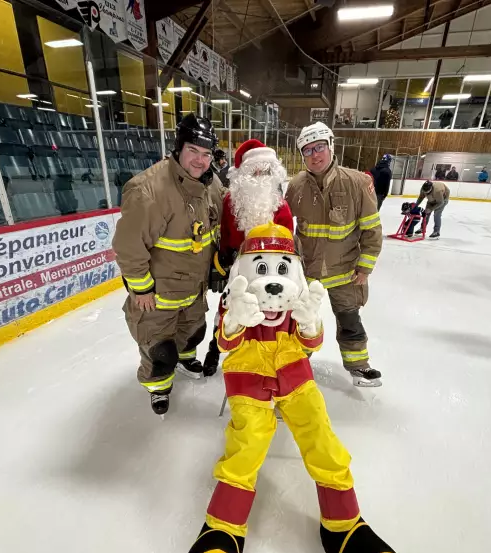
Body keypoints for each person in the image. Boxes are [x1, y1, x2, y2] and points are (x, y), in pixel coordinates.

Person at [178, 224, 406, 553]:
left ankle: (343, 525)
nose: (272, 282)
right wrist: (235, 317)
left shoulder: (297, 298)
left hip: (292, 368)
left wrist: (310, 321)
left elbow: (310, 341)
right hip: (249, 372)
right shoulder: (236, 295)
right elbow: (224, 340)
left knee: (318, 429)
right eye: (262, 269)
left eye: (282, 269)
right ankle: (223, 528)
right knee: (248, 439)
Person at [113, 113, 224, 415]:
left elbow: (219, 227)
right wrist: (141, 289)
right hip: (158, 296)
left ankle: (187, 358)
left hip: (194, 289)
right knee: (160, 350)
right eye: (193, 151)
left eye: (206, 154)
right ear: (178, 148)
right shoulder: (149, 191)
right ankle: (159, 387)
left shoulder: (210, 185)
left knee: (193, 332)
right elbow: (128, 246)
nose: (200, 161)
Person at [285, 122, 384, 387]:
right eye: (307, 151)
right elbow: (283, 225)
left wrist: (365, 267)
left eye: (319, 148)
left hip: (346, 272)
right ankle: (295, 367)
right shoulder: (295, 186)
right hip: (308, 273)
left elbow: (372, 229)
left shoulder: (357, 182)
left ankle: (359, 366)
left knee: (350, 320)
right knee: (301, 322)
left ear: (331, 146)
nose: (315, 155)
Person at [202, 138, 294, 376]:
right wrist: (223, 260)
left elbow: (289, 242)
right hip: (239, 267)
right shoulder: (231, 202)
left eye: (265, 170)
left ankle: (268, 353)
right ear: (244, 173)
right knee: (228, 308)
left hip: (271, 271)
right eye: (255, 170)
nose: (260, 175)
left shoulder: (281, 206)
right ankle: (215, 346)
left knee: (272, 312)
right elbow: (225, 232)